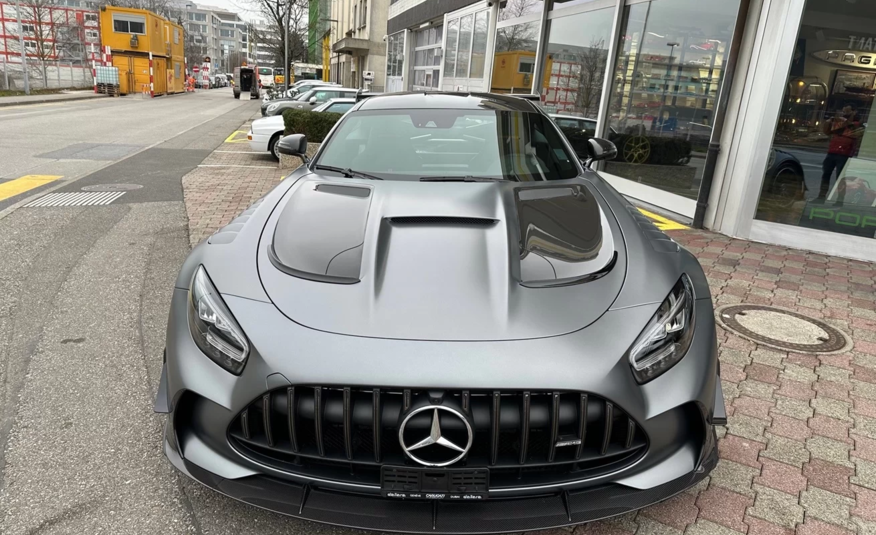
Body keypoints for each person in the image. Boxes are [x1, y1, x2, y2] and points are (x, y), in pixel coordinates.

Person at [820, 105, 863, 199]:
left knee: (840, 177)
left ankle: (840, 199)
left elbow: (852, 127)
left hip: (844, 154)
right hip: (833, 151)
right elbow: (827, 131)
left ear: (853, 112)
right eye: (844, 110)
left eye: (847, 110)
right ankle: (822, 196)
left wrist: (842, 119)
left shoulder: (854, 125)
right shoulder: (839, 122)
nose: (844, 112)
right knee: (826, 174)